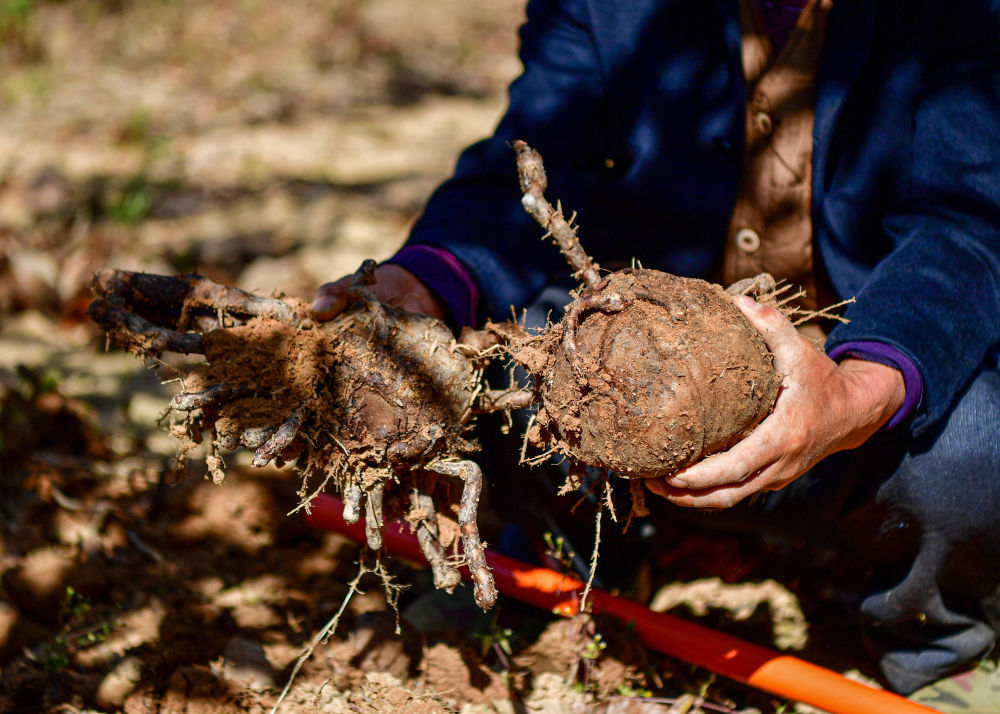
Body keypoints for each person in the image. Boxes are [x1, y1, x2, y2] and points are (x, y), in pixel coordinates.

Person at [311, 0, 1000, 701]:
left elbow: (967, 226)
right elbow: (533, 159)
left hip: (855, 359)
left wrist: (856, 393)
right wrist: (425, 280)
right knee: (498, 368)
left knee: (973, 449)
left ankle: (931, 642)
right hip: (634, 363)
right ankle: (569, 565)